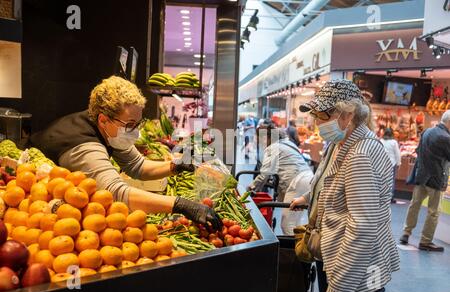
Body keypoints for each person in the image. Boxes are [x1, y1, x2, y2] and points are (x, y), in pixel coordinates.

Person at [31, 76, 222, 230]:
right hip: (38, 211)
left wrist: (176, 166)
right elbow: (116, 193)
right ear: (104, 119)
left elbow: (137, 166)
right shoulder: (84, 146)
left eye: (137, 123)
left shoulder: (109, 128)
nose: (135, 131)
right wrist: (181, 204)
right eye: (130, 124)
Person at [290, 79, 400, 292]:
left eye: (323, 116)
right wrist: (309, 197)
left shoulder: (360, 155)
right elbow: (328, 181)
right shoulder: (338, 144)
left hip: (354, 271)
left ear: (348, 115)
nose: (316, 122)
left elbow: (362, 228)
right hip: (337, 257)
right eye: (316, 116)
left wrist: (338, 289)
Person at [400, 110, 450, 251]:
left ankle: (406, 233)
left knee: (414, 205)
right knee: (433, 212)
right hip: (436, 179)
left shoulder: (427, 132)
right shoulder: (446, 138)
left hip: (421, 176)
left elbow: (418, 151)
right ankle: (425, 241)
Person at [248, 126, 311, 204]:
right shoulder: (288, 143)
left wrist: (250, 189)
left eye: (259, 139)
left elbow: (265, 174)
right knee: (296, 213)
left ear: (265, 137)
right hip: (308, 179)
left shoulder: (272, 148)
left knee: (289, 214)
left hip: (296, 182)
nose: (259, 142)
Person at [381, 128, 401, 203]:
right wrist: (399, 163)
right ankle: (390, 197)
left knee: (382, 179)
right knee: (391, 180)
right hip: (392, 163)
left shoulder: (381, 141)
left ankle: (382, 195)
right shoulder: (394, 142)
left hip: (382, 163)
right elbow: (397, 153)